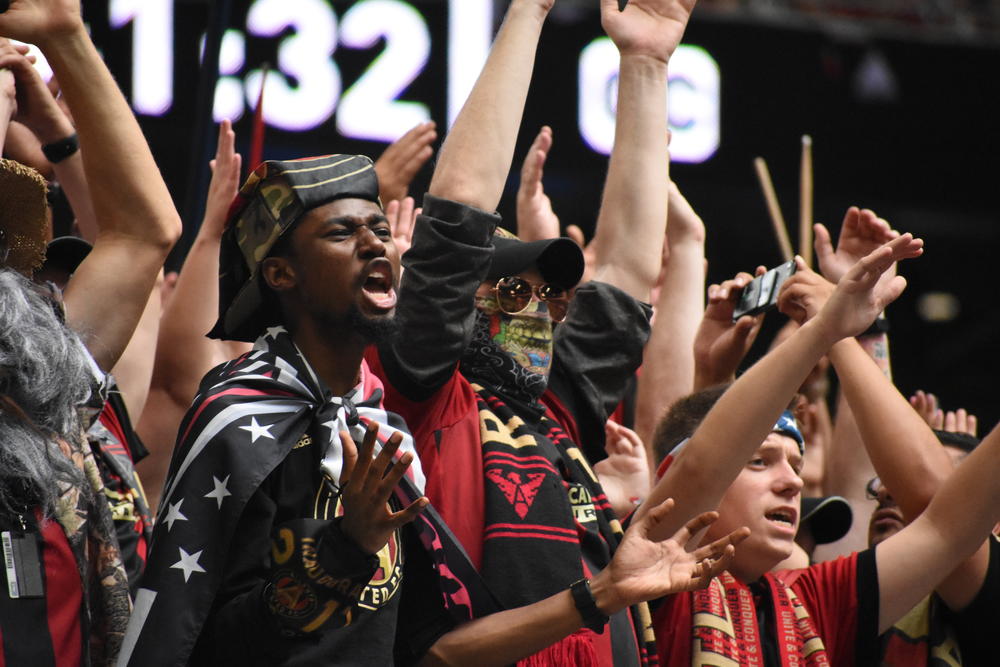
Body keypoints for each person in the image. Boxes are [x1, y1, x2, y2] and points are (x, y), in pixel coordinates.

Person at [120, 153, 746, 667]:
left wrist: (603, 593)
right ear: (281, 273)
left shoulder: (382, 429)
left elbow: (429, 652)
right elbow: (210, 639)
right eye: (343, 232)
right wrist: (346, 547)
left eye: (378, 228)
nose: (375, 244)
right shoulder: (246, 416)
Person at [367, 0, 698, 662]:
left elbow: (631, 267)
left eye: (549, 296)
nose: (539, 308)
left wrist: (646, 63)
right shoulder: (428, 397)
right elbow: (459, 208)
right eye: (516, 290)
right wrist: (527, 12)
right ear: (460, 303)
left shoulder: (555, 411)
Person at [645, 235, 1000, 665]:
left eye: (796, 465)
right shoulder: (646, 568)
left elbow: (943, 522)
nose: (794, 482)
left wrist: (836, 330)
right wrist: (825, 329)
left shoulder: (809, 602)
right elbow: (699, 469)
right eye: (759, 461)